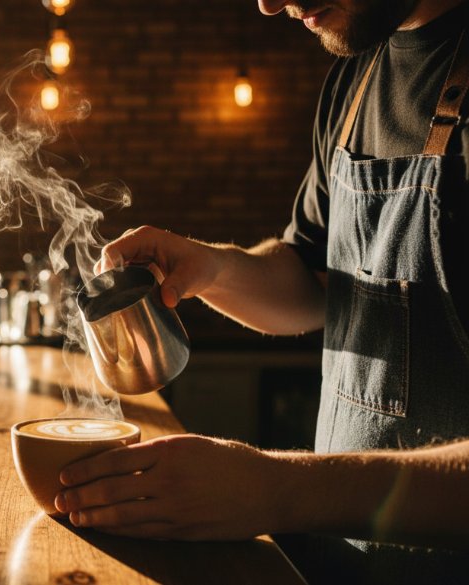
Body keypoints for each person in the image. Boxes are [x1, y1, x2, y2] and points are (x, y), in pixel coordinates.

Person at [52, 1, 469, 583]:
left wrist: (279, 491)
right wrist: (212, 268)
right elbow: (316, 285)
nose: (269, 4)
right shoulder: (355, 79)